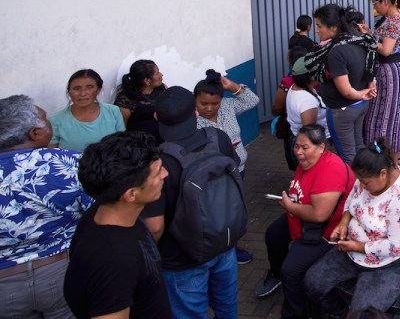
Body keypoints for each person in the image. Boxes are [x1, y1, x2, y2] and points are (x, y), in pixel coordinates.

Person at [142, 86, 242, 318]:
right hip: (223, 241)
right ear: (196, 113)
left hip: (181, 258)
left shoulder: (158, 161)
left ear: (157, 117)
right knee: (227, 309)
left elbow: (155, 226)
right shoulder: (219, 138)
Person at [304, 138, 400, 316]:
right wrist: (343, 223)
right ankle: (340, 312)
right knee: (312, 283)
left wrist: (359, 247)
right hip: (353, 251)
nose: (361, 186)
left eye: (365, 183)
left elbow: (395, 245)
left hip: (390, 263)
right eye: (359, 181)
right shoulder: (368, 176)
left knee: (363, 314)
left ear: (383, 174)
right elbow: (352, 200)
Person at [0, 95, 92, 319]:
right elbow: (98, 215)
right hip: (61, 270)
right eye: (44, 117)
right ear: (35, 133)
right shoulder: (71, 163)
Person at [63, 131, 171, 318]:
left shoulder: (101, 212)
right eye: (158, 172)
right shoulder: (114, 261)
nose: (165, 174)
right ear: (130, 194)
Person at [256, 124, 353, 318]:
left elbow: (319, 215)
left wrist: (291, 207)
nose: (298, 152)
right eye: (296, 146)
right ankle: (277, 276)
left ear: (321, 147)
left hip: (326, 230)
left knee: (291, 270)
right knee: (273, 235)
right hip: (301, 215)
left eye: (304, 147)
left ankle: (295, 312)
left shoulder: (330, 169)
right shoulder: (309, 161)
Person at [194, 69, 260, 265]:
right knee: (216, 214)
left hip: (238, 169)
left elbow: (252, 100)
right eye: (203, 103)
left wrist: (231, 85)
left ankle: (232, 246)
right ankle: (219, 250)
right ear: (195, 101)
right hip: (213, 176)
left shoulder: (228, 107)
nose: (209, 108)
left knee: (233, 210)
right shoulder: (193, 122)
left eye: (215, 103)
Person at [305, 4, 377, 163]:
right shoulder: (359, 40)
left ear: (333, 27)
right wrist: (366, 92)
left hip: (343, 111)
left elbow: (345, 90)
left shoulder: (336, 51)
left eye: (319, 26)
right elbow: (370, 70)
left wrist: (363, 93)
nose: (316, 31)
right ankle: (364, 181)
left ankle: (354, 185)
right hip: (360, 106)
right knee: (359, 146)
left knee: (347, 156)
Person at [362, 0, 400, 163]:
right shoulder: (390, 20)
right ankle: (392, 155)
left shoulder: (394, 21)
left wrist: (368, 38)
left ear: (385, 1)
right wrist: (369, 32)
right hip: (391, 71)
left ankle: (393, 156)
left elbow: (386, 50)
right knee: (389, 112)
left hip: (390, 72)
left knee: (389, 113)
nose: (374, 7)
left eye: (375, 3)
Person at [50, 68, 125, 151]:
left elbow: (121, 146)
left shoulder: (113, 111)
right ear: (69, 92)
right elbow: (51, 155)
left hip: (108, 163)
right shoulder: (55, 120)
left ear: (98, 90)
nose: (83, 93)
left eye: (90, 87)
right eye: (77, 89)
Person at [273, 45, 310, 170]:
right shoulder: (314, 80)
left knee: (298, 165)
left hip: (294, 130)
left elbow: (277, 107)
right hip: (315, 132)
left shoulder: (288, 82)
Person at [115, 59, 167, 141]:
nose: (161, 75)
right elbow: (121, 130)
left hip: (164, 141)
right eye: (157, 73)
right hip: (140, 146)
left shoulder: (162, 88)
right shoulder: (126, 100)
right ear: (147, 80)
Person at [285, 57, 330, 141]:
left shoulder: (295, 87)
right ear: (311, 77)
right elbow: (310, 133)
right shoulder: (307, 102)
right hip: (316, 142)